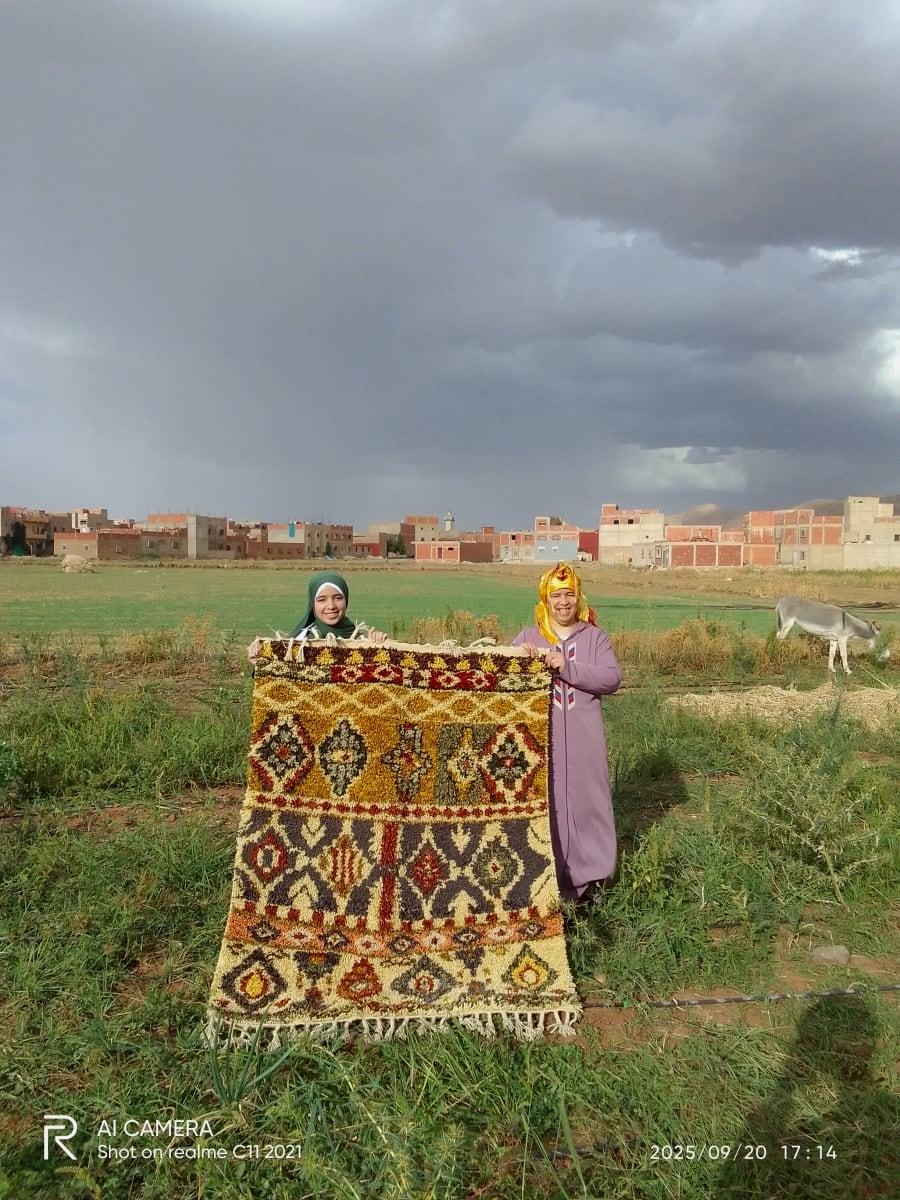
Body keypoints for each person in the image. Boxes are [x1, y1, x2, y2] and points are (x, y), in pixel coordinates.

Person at [512, 562, 621, 903]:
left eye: (569, 594)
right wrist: (519, 657)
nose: (563, 602)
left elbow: (611, 678)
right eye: (556, 595)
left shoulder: (594, 637)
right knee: (550, 804)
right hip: (542, 739)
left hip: (585, 737)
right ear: (545, 598)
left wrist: (568, 667)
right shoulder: (531, 636)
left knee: (590, 802)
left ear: (579, 596)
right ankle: (550, 878)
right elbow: (501, 671)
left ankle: (592, 880)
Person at [248, 570, 387, 660]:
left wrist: (378, 644)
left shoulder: (360, 640)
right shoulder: (300, 642)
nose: (331, 606)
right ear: (312, 604)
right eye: (322, 600)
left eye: (338, 598)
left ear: (346, 600)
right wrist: (260, 659)